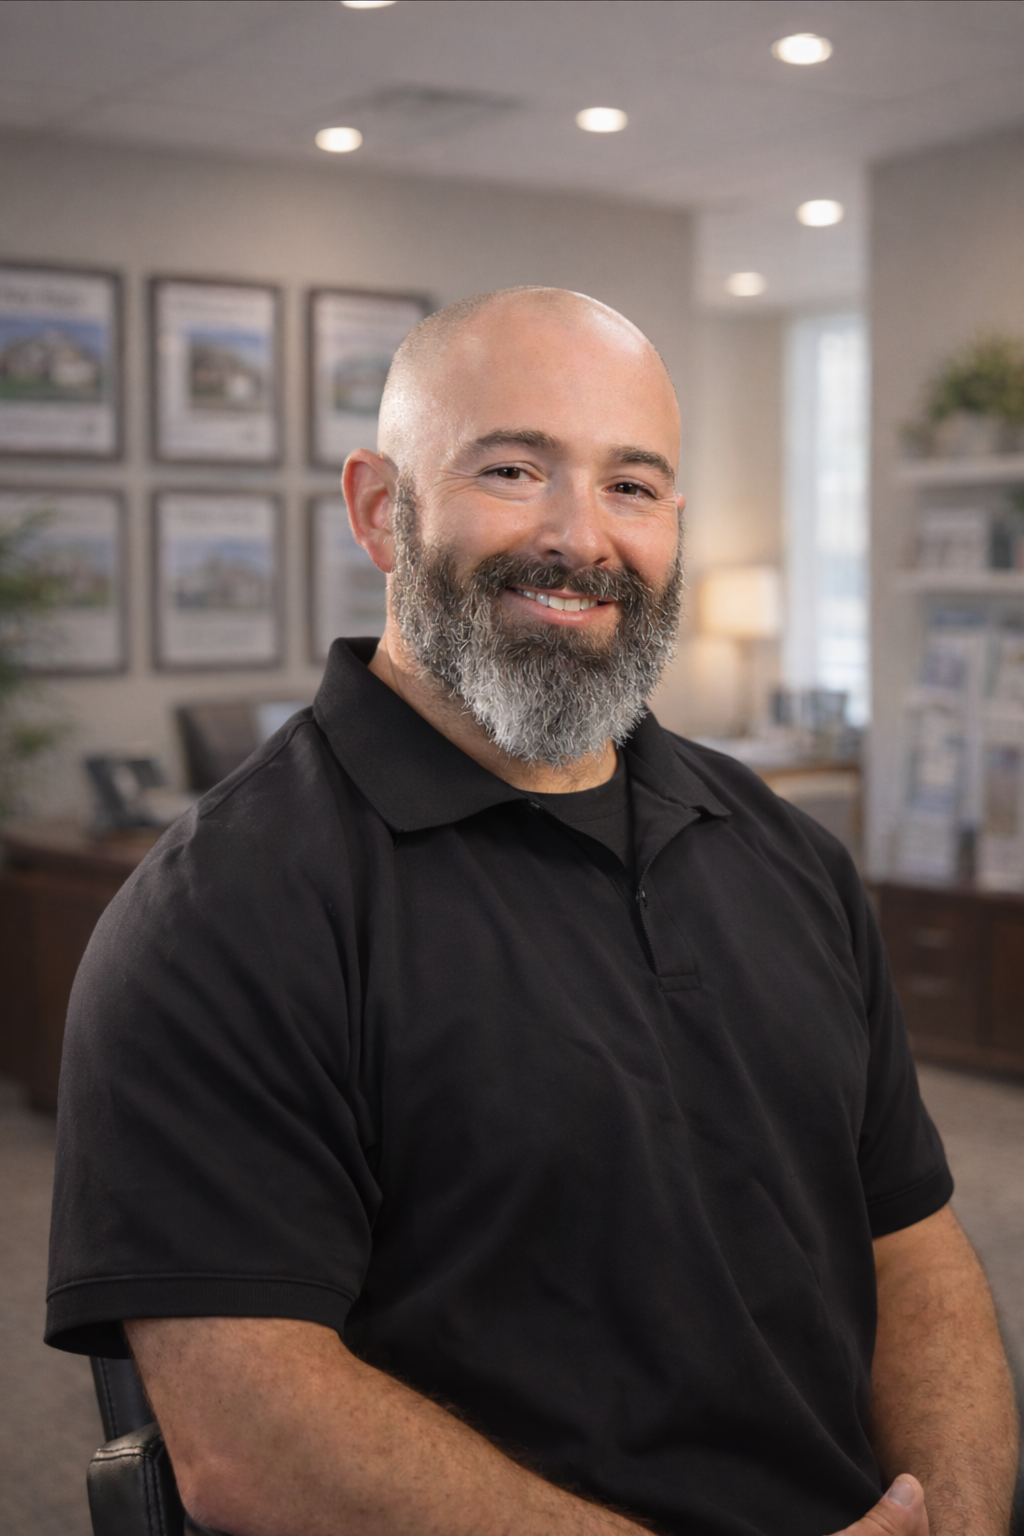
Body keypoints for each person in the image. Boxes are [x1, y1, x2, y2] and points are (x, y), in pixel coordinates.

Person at [47, 287, 1017, 1536]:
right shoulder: (218, 914)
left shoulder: (789, 857)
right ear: (380, 512)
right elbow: (245, 1434)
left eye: (632, 484)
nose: (580, 536)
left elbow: (912, 1248)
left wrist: (957, 1517)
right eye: (513, 468)